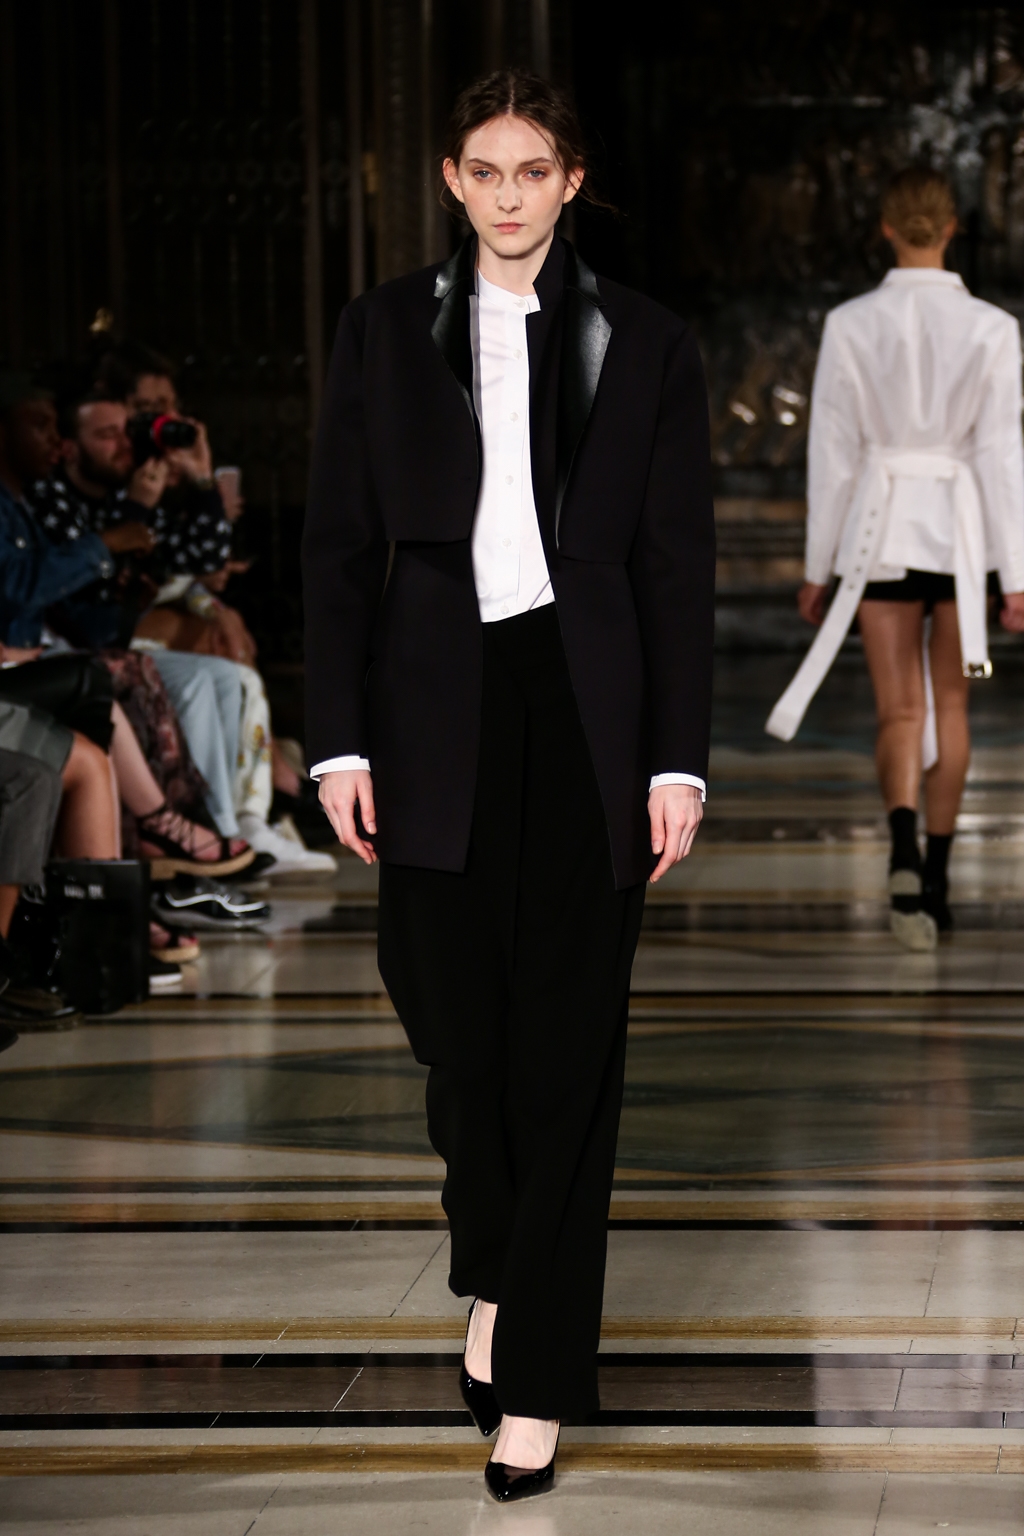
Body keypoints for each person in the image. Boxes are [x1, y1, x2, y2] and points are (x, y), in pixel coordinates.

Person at [303, 69, 714, 1502]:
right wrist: (337, 744)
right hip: (430, 710)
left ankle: (535, 1376)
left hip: (583, 710)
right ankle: (490, 1256)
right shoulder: (380, 331)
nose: (508, 194)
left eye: (533, 170)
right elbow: (337, 548)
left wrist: (676, 759)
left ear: (571, 181)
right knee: (456, 1037)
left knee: (568, 1052)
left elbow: (675, 565)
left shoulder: (647, 342)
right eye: (485, 170)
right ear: (451, 180)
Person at [767, 167, 1024, 951]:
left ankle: (904, 850)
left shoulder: (851, 323)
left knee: (900, 711)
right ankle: (935, 881)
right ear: (951, 229)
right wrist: (1017, 575)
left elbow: (834, 453)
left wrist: (819, 566)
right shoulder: (992, 327)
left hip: (879, 533)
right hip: (959, 535)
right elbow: (1002, 455)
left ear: (885, 228)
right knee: (951, 708)